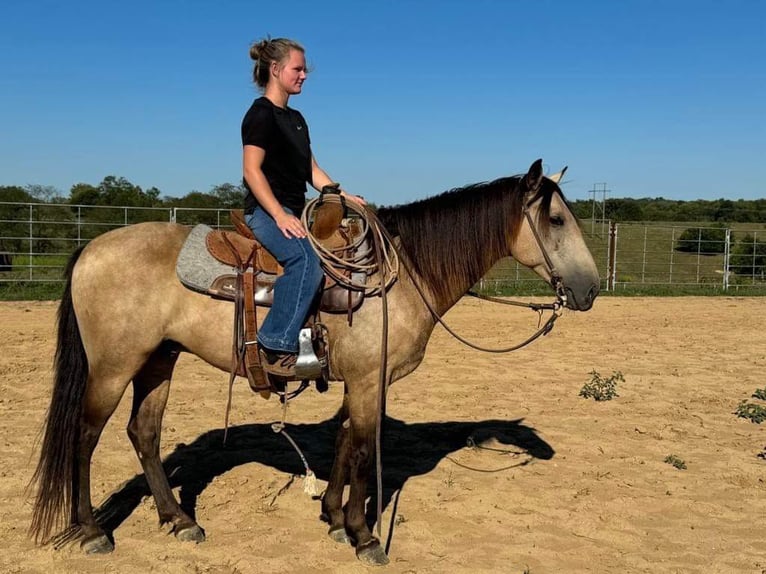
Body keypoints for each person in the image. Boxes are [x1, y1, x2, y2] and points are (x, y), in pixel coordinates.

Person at [242, 37, 365, 376]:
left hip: (294, 210)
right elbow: (251, 170)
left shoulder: (296, 119)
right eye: (298, 69)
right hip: (266, 211)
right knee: (305, 261)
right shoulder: (260, 115)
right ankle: (275, 344)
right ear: (276, 69)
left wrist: (341, 195)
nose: (304, 75)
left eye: (304, 69)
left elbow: (311, 169)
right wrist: (279, 214)